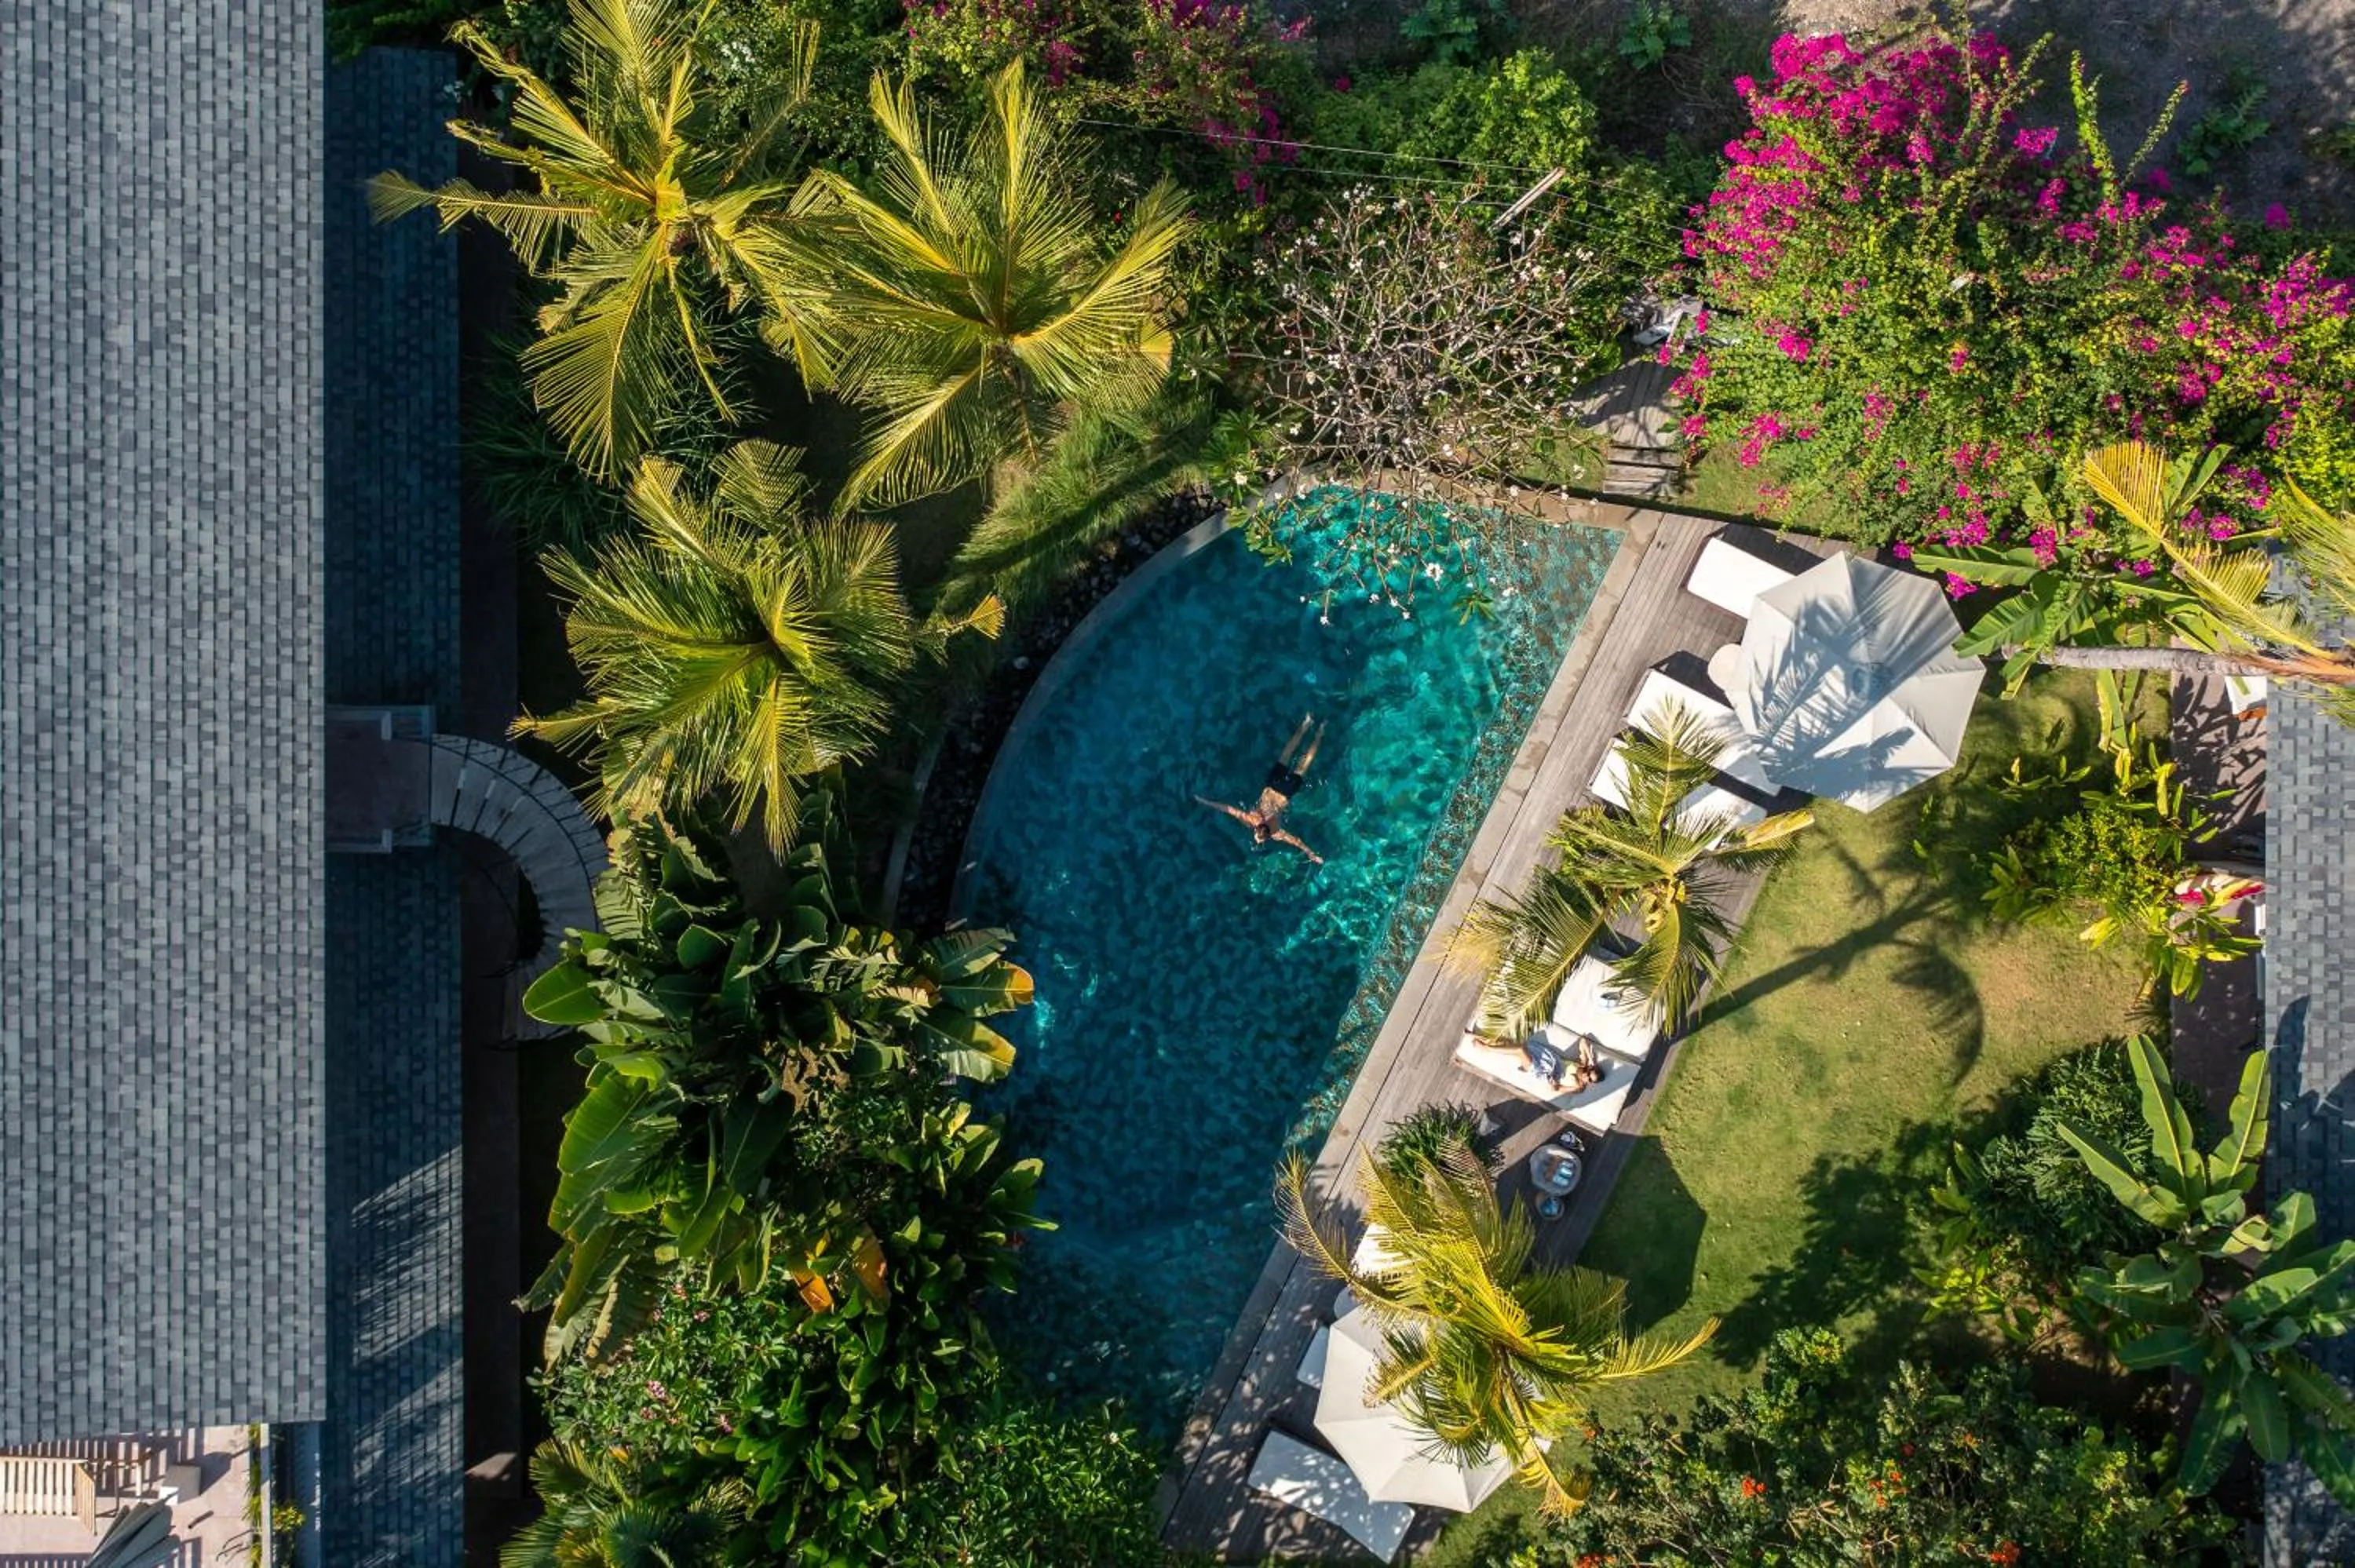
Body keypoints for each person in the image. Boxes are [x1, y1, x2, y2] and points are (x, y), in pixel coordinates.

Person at [1196, 713, 1327, 865]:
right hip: (1272, 785)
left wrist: (1312, 855)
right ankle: (1307, 723)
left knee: (1304, 764)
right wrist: (1206, 802)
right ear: (1258, 828)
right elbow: (1228, 809)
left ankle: (1320, 731)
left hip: (1285, 792)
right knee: (1287, 753)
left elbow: (1297, 842)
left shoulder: (1277, 833)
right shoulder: (1253, 819)